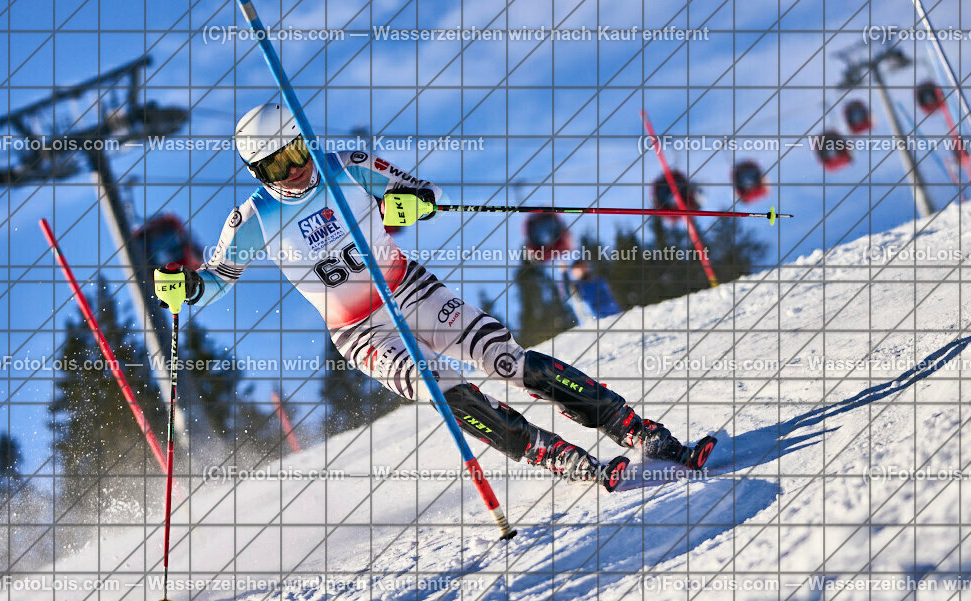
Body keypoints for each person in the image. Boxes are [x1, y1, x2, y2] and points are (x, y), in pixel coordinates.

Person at [153, 103, 713, 491]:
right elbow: (215, 280)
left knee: (506, 358)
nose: (297, 169)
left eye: (297, 150)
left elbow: (426, 192)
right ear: (259, 169)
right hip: (361, 332)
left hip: (410, 290)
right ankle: (553, 454)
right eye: (280, 163)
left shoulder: (344, 167)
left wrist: (408, 205)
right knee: (444, 387)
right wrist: (182, 286)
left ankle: (639, 430)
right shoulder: (250, 219)